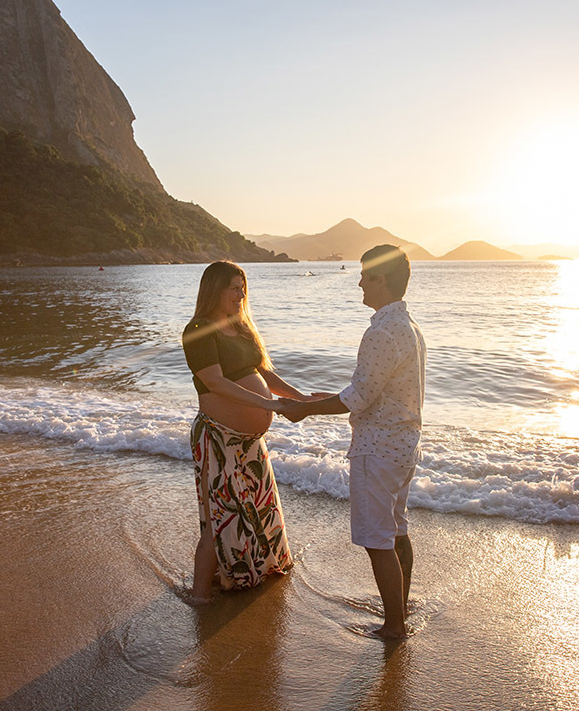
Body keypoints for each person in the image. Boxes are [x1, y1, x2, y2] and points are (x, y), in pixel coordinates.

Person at [279, 244, 426, 639]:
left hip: (377, 450)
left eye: (365, 275)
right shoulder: (408, 327)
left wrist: (304, 409)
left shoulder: (381, 331)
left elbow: (359, 398)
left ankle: (393, 625)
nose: (359, 281)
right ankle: (401, 609)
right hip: (403, 445)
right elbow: (373, 390)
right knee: (396, 530)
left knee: (378, 541)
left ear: (381, 279)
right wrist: (319, 399)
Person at [182, 260, 325, 603]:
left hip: (249, 443)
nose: (241, 294)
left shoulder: (240, 327)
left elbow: (263, 374)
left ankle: (249, 577)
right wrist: (271, 407)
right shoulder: (199, 329)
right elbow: (215, 383)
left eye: (242, 287)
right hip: (218, 438)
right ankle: (199, 598)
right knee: (221, 521)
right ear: (215, 289)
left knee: (260, 511)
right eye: (234, 287)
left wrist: (299, 398)